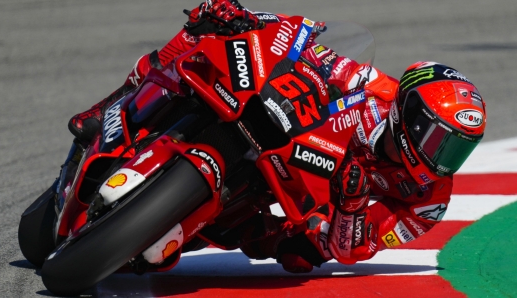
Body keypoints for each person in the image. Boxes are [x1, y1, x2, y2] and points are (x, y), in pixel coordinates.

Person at [67, 0, 487, 273]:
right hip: (291, 137)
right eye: (439, 140)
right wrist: (251, 21)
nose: (443, 159)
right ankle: (109, 105)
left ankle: (175, 224)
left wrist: (353, 206)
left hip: (314, 203)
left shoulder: (429, 201)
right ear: (408, 113)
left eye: (457, 149)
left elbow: (355, 249)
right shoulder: (374, 87)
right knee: (200, 39)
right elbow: (308, 48)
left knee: (294, 254)